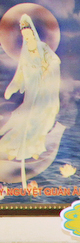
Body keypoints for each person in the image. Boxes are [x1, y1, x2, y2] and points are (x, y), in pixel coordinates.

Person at [0, 14, 62, 188]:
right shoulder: (25, 52)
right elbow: (21, 73)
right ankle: (14, 149)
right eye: (24, 36)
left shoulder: (43, 48)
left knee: (41, 119)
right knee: (26, 117)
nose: (27, 38)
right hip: (32, 90)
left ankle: (34, 148)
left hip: (44, 90)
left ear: (33, 33)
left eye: (29, 34)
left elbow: (55, 61)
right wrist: (12, 87)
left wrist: (46, 70)